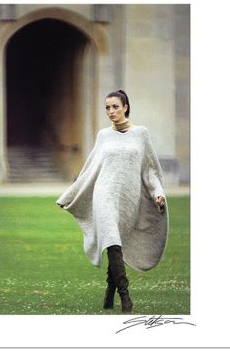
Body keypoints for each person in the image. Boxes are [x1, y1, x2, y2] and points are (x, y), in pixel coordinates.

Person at [56, 90, 168, 313]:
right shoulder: (103, 136)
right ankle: (126, 298)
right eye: (107, 107)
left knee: (115, 243)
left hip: (128, 198)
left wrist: (158, 191)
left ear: (125, 107)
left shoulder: (141, 134)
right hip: (104, 194)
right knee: (112, 239)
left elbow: (150, 170)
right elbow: (90, 169)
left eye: (115, 106)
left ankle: (110, 291)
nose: (111, 111)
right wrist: (69, 195)